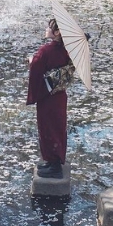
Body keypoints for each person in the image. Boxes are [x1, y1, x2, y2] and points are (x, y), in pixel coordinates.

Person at [26, 17, 72, 179]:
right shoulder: (68, 49)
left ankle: (54, 166)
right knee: (58, 126)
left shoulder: (46, 51)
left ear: (57, 32)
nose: (46, 29)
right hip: (59, 95)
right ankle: (54, 161)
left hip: (47, 97)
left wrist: (32, 61)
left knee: (47, 126)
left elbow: (36, 69)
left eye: (49, 27)